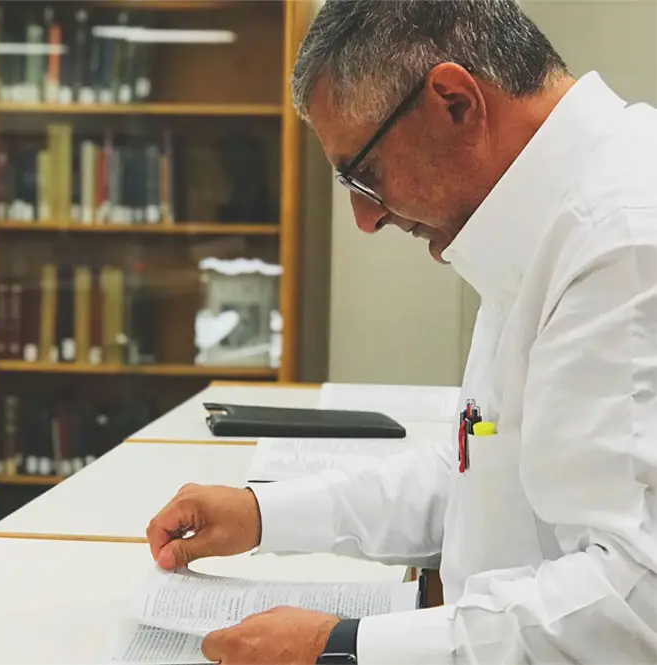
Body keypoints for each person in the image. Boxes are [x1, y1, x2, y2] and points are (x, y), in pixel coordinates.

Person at [147, 1, 657, 663]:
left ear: (453, 102)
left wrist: (343, 647)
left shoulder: (621, 239)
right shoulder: (545, 216)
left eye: (364, 173)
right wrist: (263, 513)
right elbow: (481, 470)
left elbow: (631, 600)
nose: (365, 216)